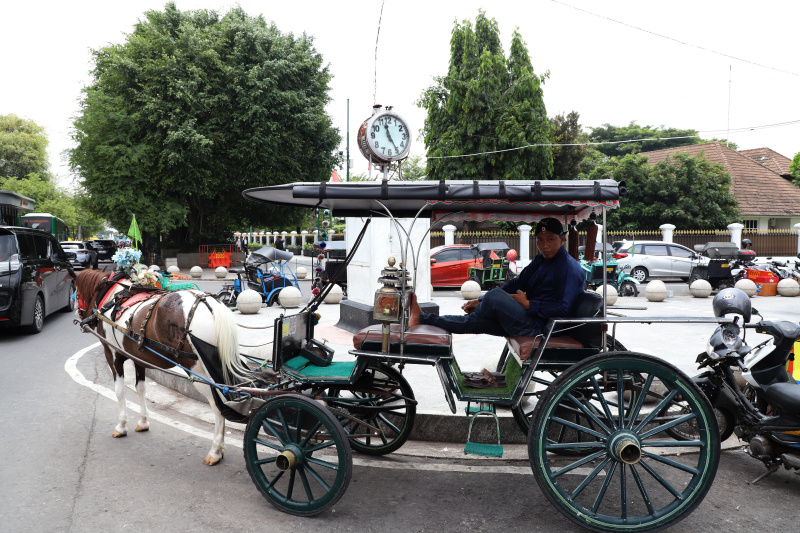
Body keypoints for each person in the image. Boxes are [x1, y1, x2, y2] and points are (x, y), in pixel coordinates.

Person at [409, 217, 585, 338]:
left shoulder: (569, 268)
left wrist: (529, 304)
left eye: (550, 239)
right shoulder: (541, 260)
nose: (544, 245)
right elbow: (517, 282)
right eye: (540, 240)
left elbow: (564, 309)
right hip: (526, 318)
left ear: (562, 239)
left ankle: (483, 306)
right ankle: (422, 318)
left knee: (494, 296)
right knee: (472, 322)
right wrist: (480, 300)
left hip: (540, 327)